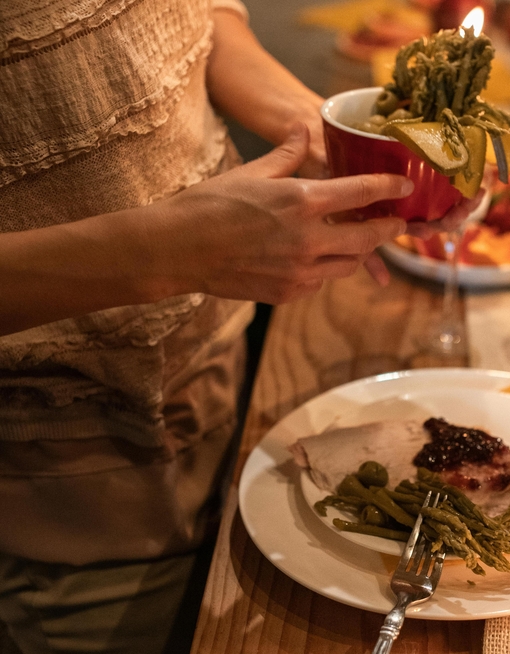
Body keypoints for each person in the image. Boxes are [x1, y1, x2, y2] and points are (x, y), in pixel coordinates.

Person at [0, 1, 478, 652]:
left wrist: (340, 141)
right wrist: (167, 256)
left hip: (237, 397)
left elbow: (192, 24)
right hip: (78, 495)